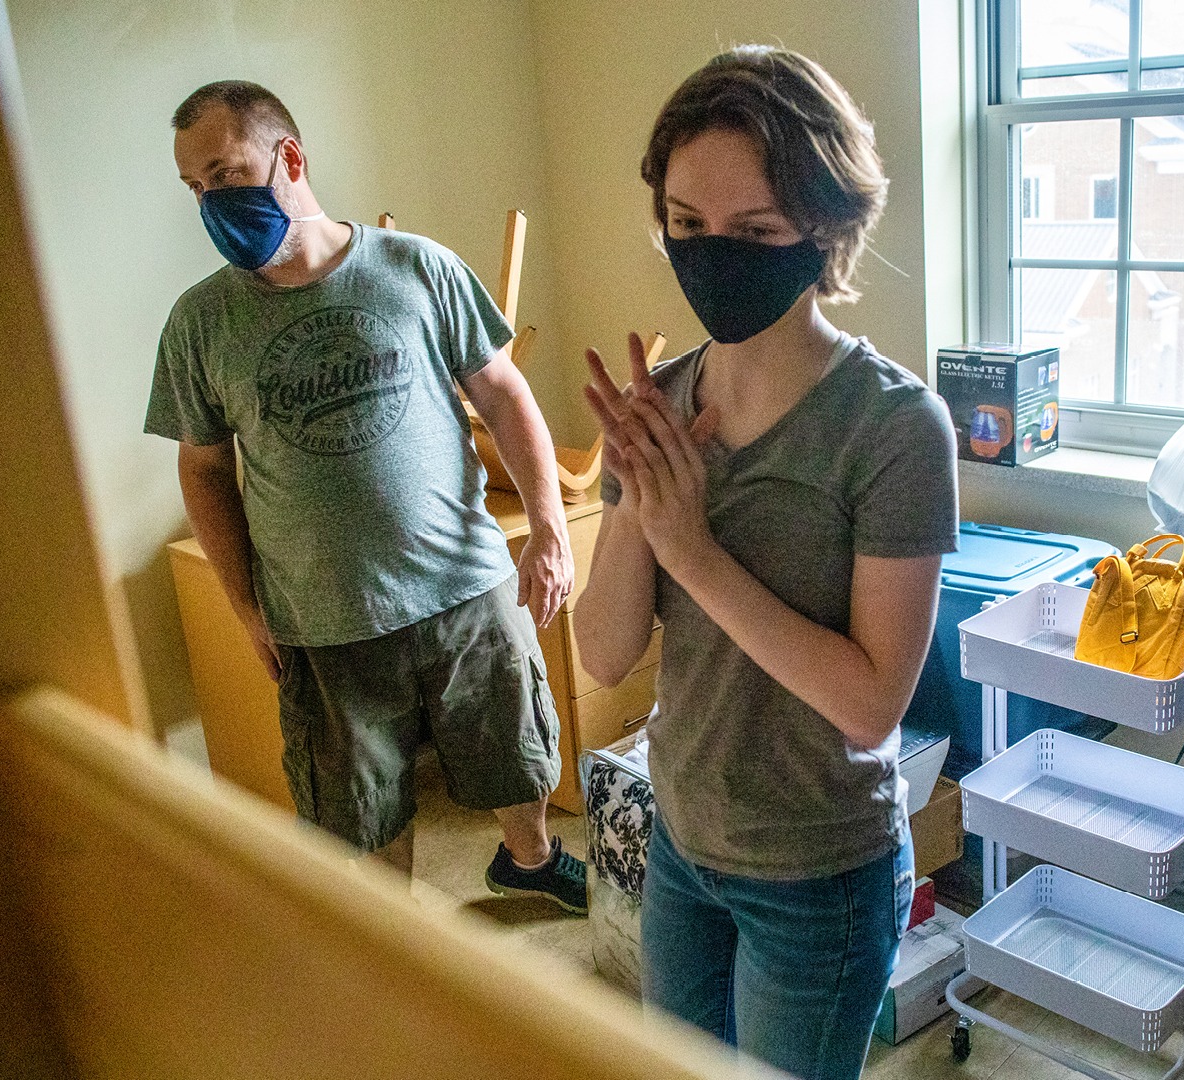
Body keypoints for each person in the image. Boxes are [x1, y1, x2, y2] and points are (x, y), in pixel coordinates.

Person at [573, 48, 958, 1080]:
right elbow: (604, 655)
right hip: (683, 846)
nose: (712, 258)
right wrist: (631, 500)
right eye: (688, 227)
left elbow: (872, 706)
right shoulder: (663, 398)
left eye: (753, 232)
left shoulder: (894, 428)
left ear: (824, 228)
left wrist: (692, 550)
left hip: (820, 875)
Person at [147, 80, 586, 914]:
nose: (211, 200)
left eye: (224, 173)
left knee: (516, 748)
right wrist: (243, 605)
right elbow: (203, 471)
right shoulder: (199, 324)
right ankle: (403, 942)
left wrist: (551, 532)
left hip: (464, 583)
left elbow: (504, 395)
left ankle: (528, 862)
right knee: (358, 805)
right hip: (321, 616)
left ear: (291, 158)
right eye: (194, 188)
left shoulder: (416, 268)